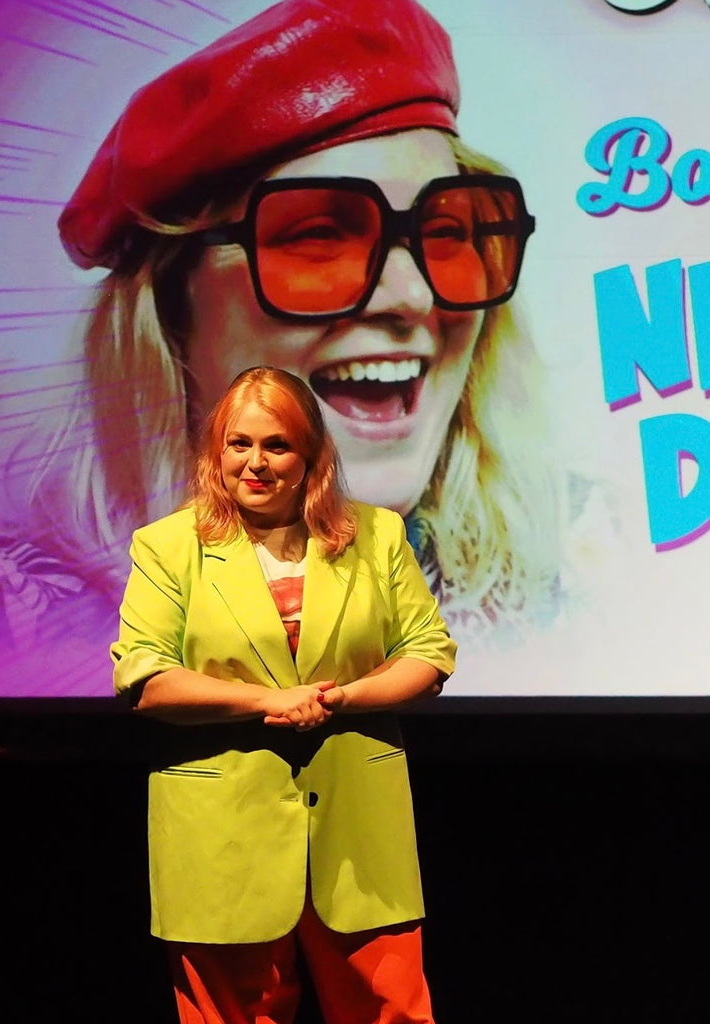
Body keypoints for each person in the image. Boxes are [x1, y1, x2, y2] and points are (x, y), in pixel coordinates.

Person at [0, 0, 569, 696]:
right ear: (173, 309)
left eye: (446, 233)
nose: (413, 297)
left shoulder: (566, 600)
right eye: (318, 236)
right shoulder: (22, 632)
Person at [111, 364, 456, 1023]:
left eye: (277, 446)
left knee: (392, 1010)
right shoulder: (168, 548)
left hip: (358, 830)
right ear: (217, 452)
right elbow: (146, 678)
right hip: (223, 833)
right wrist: (265, 703)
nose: (256, 463)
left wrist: (343, 699)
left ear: (312, 456)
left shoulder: (377, 537)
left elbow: (428, 652)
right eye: (239, 444)